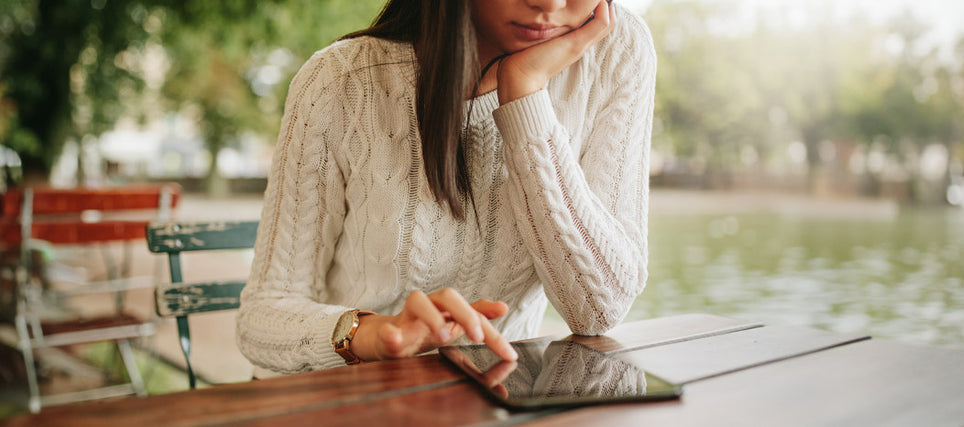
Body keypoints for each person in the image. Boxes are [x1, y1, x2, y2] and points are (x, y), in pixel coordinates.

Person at [237, 0, 656, 375]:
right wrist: (378, 335)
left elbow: (599, 311)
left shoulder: (615, 52)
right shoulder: (343, 80)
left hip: (490, 398)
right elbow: (262, 318)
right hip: (336, 397)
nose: (548, 3)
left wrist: (525, 97)